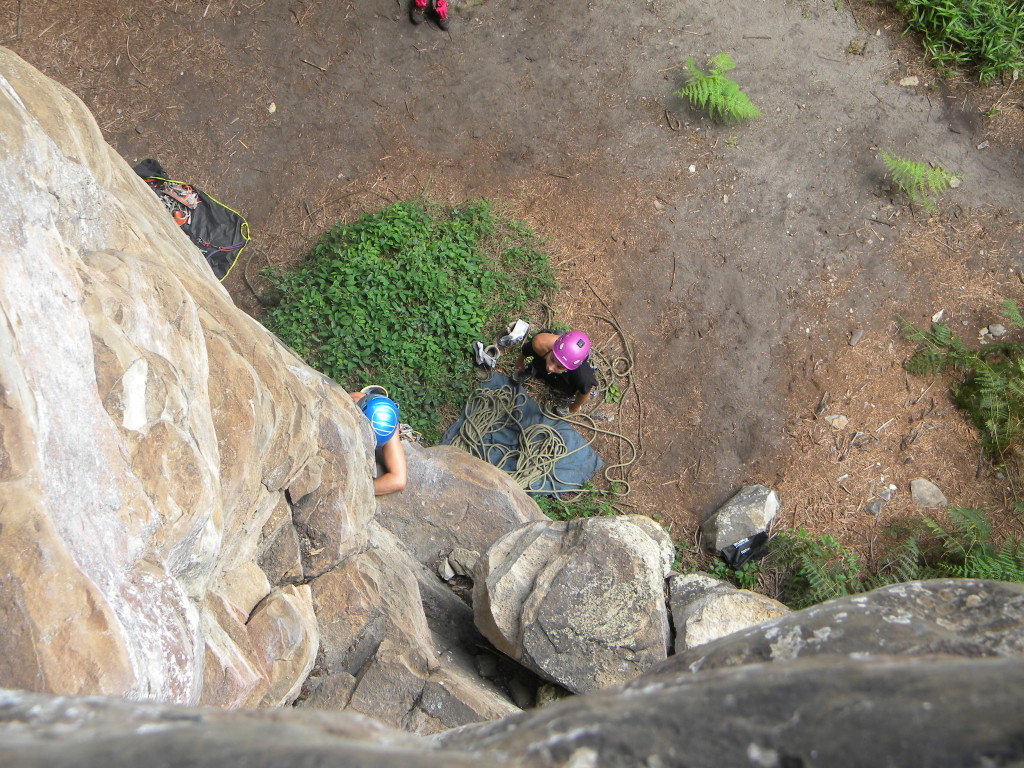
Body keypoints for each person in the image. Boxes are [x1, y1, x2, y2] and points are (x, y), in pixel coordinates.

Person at [512, 329, 597, 416]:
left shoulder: (582, 377)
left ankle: (566, 396)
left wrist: (575, 405)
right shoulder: (540, 344)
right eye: (552, 359)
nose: (550, 367)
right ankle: (532, 368)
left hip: (567, 379)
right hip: (543, 359)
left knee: (568, 388)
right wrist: (520, 361)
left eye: (559, 366)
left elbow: (584, 393)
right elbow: (527, 349)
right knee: (540, 364)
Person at [349, 388, 407, 496]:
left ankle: (373, 396)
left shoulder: (388, 426)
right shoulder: (347, 405)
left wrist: (356, 491)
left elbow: (399, 480)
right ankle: (369, 395)